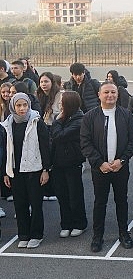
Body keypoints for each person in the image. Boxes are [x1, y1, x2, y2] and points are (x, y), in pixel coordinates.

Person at [80, 82, 133, 253]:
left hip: (121, 167)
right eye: (106, 92)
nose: (110, 95)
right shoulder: (90, 116)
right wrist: (99, 163)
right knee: (100, 202)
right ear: (99, 94)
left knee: (122, 201)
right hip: (100, 169)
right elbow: (85, 142)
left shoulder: (126, 115)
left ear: (117, 94)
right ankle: (97, 236)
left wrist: (122, 160)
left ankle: (123, 233)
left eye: (113, 92)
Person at [1, 93, 51, 249]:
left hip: (34, 169)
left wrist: (45, 169)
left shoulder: (37, 122)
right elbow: (6, 150)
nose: (22, 109)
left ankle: (36, 235)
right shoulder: (8, 124)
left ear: (29, 105)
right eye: (18, 105)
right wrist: (6, 172)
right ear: (13, 106)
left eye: (25, 105)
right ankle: (23, 234)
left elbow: (45, 147)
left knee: (35, 204)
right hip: (15, 171)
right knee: (20, 204)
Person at [50, 91, 87, 239]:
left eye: (62, 103)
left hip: (72, 163)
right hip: (58, 164)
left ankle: (79, 224)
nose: (59, 105)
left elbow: (59, 136)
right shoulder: (64, 118)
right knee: (62, 195)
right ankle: (66, 224)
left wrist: (57, 122)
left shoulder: (79, 120)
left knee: (75, 195)